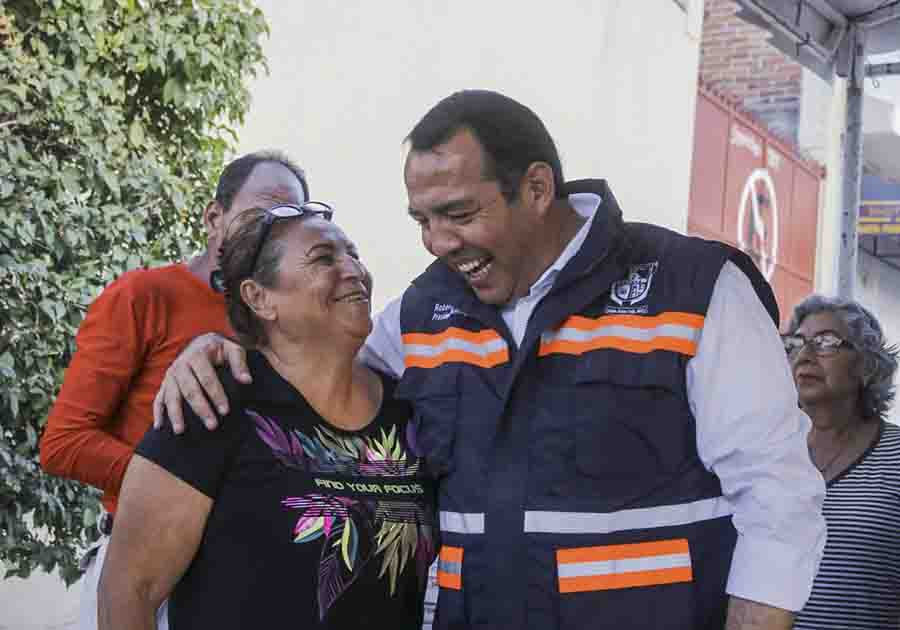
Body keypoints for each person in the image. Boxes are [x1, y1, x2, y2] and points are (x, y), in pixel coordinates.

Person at [153, 90, 826, 630]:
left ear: (535, 189)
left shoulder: (692, 287)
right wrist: (221, 349)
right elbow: (319, 372)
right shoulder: (427, 308)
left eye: (458, 213)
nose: (438, 243)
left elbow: (777, 495)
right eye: (421, 219)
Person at [98, 204, 437, 630]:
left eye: (353, 254)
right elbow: (130, 591)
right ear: (259, 298)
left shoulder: (406, 410)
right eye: (323, 259)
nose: (353, 269)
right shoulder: (213, 403)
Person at [39, 150, 310, 630]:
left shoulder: (288, 321)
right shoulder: (143, 296)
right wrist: (179, 486)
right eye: (261, 213)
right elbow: (65, 441)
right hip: (142, 570)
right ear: (214, 217)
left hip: (247, 570)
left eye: (291, 220)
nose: (274, 231)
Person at [782, 295, 900, 629]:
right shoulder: (765, 454)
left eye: (826, 343)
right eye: (796, 343)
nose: (804, 355)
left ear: (866, 365)